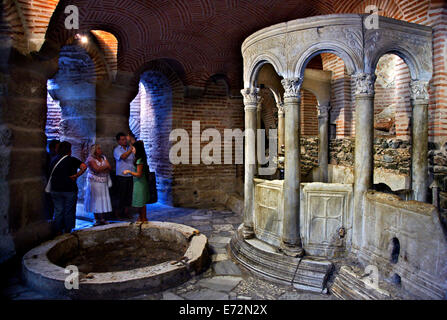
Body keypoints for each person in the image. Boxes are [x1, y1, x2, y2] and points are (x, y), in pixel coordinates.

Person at [48, 141, 87, 234]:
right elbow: (84, 166)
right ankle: (68, 231)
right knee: (69, 210)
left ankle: (57, 230)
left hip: (55, 189)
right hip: (69, 189)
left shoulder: (53, 160)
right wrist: (77, 175)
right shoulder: (72, 160)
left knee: (58, 211)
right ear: (69, 150)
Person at [84, 144, 112, 226]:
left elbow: (109, 167)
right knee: (95, 200)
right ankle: (96, 218)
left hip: (103, 181)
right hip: (94, 183)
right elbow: (97, 169)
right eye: (99, 149)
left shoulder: (103, 157)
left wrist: (104, 167)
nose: (100, 150)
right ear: (94, 150)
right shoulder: (90, 159)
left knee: (102, 200)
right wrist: (105, 166)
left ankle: (102, 218)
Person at [123, 140, 150, 223]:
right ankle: (141, 218)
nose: (132, 150)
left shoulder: (139, 160)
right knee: (140, 202)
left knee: (140, 202)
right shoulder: (140, 158)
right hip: (139, 182)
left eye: (133, 148)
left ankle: (144, 218)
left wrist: (129, 172)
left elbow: (138, 174)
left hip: (140, 183)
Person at [113, 132, 135, 219]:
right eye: (122, 140)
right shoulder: (117, 150)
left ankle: (126, 212)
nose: (124, 141)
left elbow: (133, 159)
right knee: (120, 196)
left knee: (129, 196)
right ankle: (118, 213)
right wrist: (131, 148)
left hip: (130, 175)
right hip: (121, 176)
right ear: (118, 141)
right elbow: (124, 157)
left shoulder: (130, 148)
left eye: (125, 139)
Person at [44, 139, 60, 220]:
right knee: (49, 204)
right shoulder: (48, 157)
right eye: (58, 147)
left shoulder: (58, 157)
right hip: (49, 184)